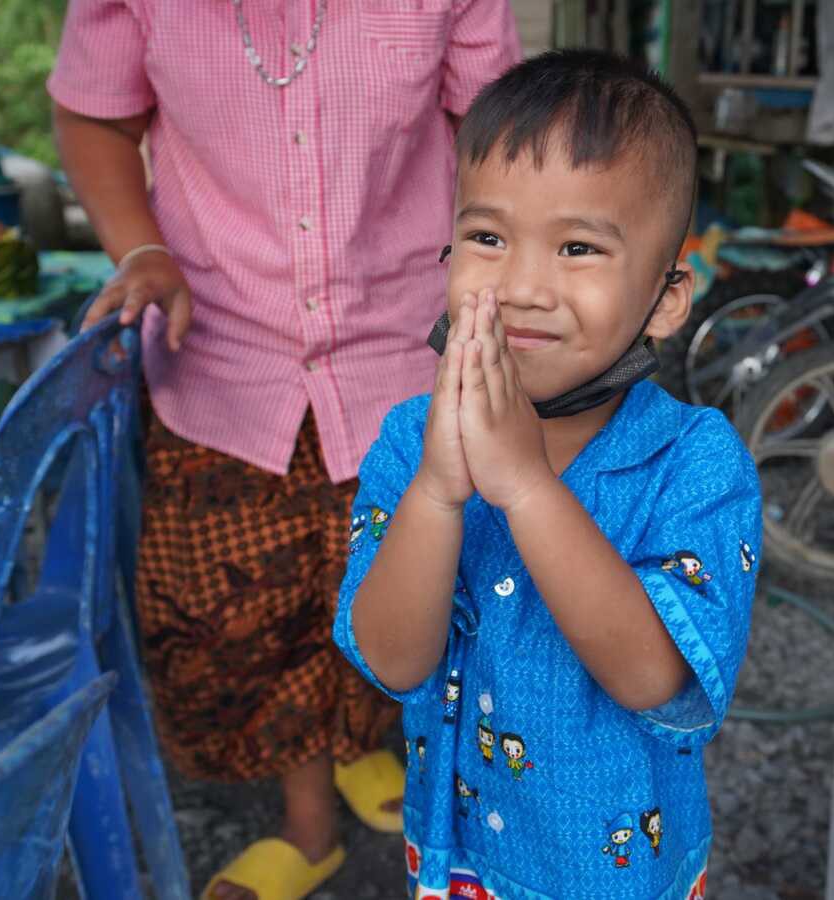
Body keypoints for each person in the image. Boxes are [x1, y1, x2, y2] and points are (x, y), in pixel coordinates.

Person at [45, 1, 520, 896]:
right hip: (221, 350)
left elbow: (497, 129)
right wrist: (140, 247)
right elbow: (92, 113)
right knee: (253, 609)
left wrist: (498, 264)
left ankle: (364, 747)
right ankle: (309, 831)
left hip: (395, 342)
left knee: (404, 573)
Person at [335, 50, 761, 899]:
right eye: (487, 238)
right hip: (456, 867)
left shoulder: (697, 464)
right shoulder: (410, 441)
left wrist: (527, 488)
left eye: (577, 247)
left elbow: (652, 677)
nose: (524, 286)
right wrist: (435, 492)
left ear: (668, 297)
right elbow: (391, 661)